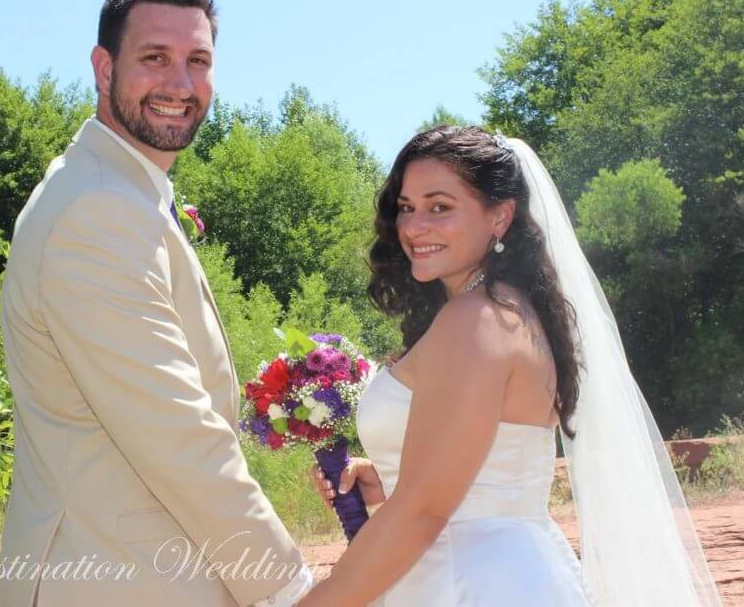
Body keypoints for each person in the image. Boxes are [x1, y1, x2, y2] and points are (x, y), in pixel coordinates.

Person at [0, 0, 312, 606]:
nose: (179, 83)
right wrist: (287, 589)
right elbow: (176, 434)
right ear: (103, 67)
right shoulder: (98, 210)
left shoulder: (113, 191)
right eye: (155, 58)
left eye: (198, 60)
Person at [303, 126, 721, 605]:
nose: (414, 227)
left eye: (440, 207)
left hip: (470, 581)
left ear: (500, 216)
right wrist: (389, 475)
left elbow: (422, 512)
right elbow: (484, 464)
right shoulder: (506, 312)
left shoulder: (475, 320)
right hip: (502, 572)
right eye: (406, 207)